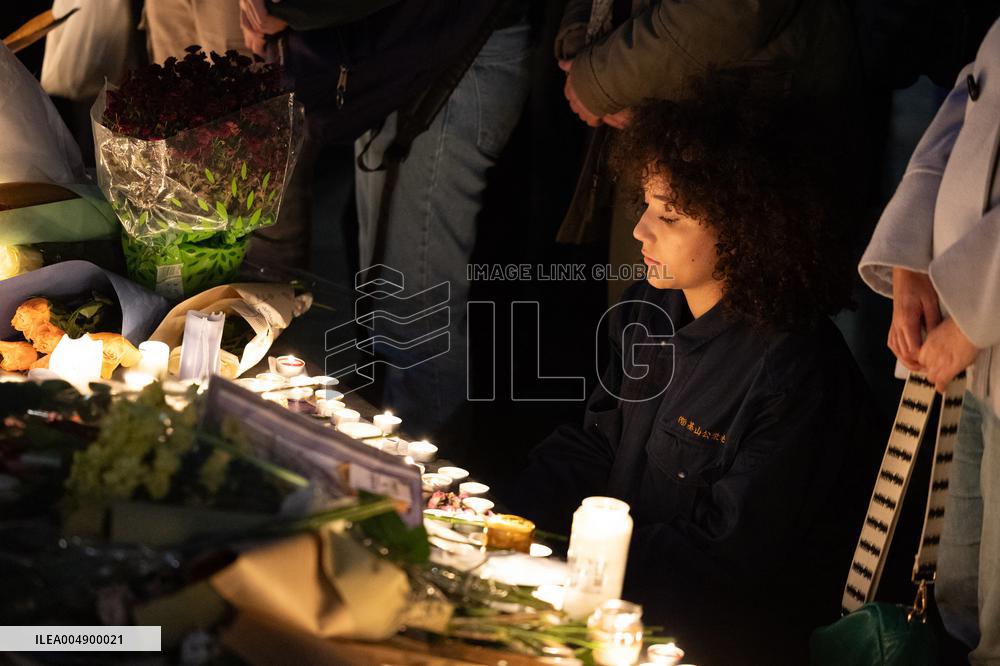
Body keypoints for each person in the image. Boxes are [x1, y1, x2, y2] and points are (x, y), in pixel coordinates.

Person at [502, 71, 880, 665]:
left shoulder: (794, 372)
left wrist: (575, 575)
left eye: (670, 217)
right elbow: (593, 446)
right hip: (605, 606)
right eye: (646, 204)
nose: (640, 230)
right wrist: (506, 527)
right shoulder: (648, 305)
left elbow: (728, 560)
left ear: (748, 231)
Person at [239, 1, 532, 445]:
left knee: (416, 308)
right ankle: (398, 469)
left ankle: (422, 490)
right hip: (413, 54)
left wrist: (289, 7)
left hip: (452, 53)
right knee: (391, 298)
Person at [859, 17, 1000, 664]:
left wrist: (973, 312)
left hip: (981, 326)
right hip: (971, 350)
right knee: (957, 600)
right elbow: (961, 118)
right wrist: (912, 260)